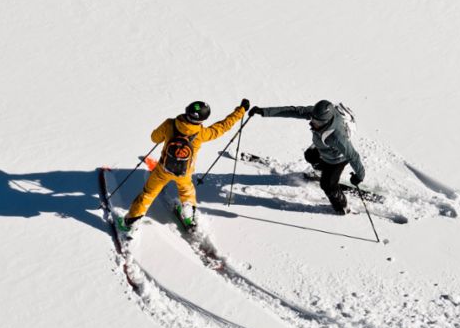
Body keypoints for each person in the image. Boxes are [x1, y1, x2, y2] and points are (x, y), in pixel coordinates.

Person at [119, 99, 250, 232]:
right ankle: (188, 216)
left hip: (163, 169)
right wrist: (241, 110)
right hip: (185, 172)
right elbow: (223, 127)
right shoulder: (202, 133)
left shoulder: (169, 124)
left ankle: (130, 222)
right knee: (187, 192)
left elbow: (154, 138)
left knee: (148, 193)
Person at [248, 100, 364, 215]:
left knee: (327, 185)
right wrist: (264, 111)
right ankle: (320, 173)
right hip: (323, 148)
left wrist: (359, 176)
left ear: (326, 121)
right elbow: (294, 111)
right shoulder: (317, 114)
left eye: (316, 121)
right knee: (310, 155)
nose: (312, 122)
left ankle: (342, 207)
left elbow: (352, 155)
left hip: (336, 159)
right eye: (312, 118)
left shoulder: (336, 136)